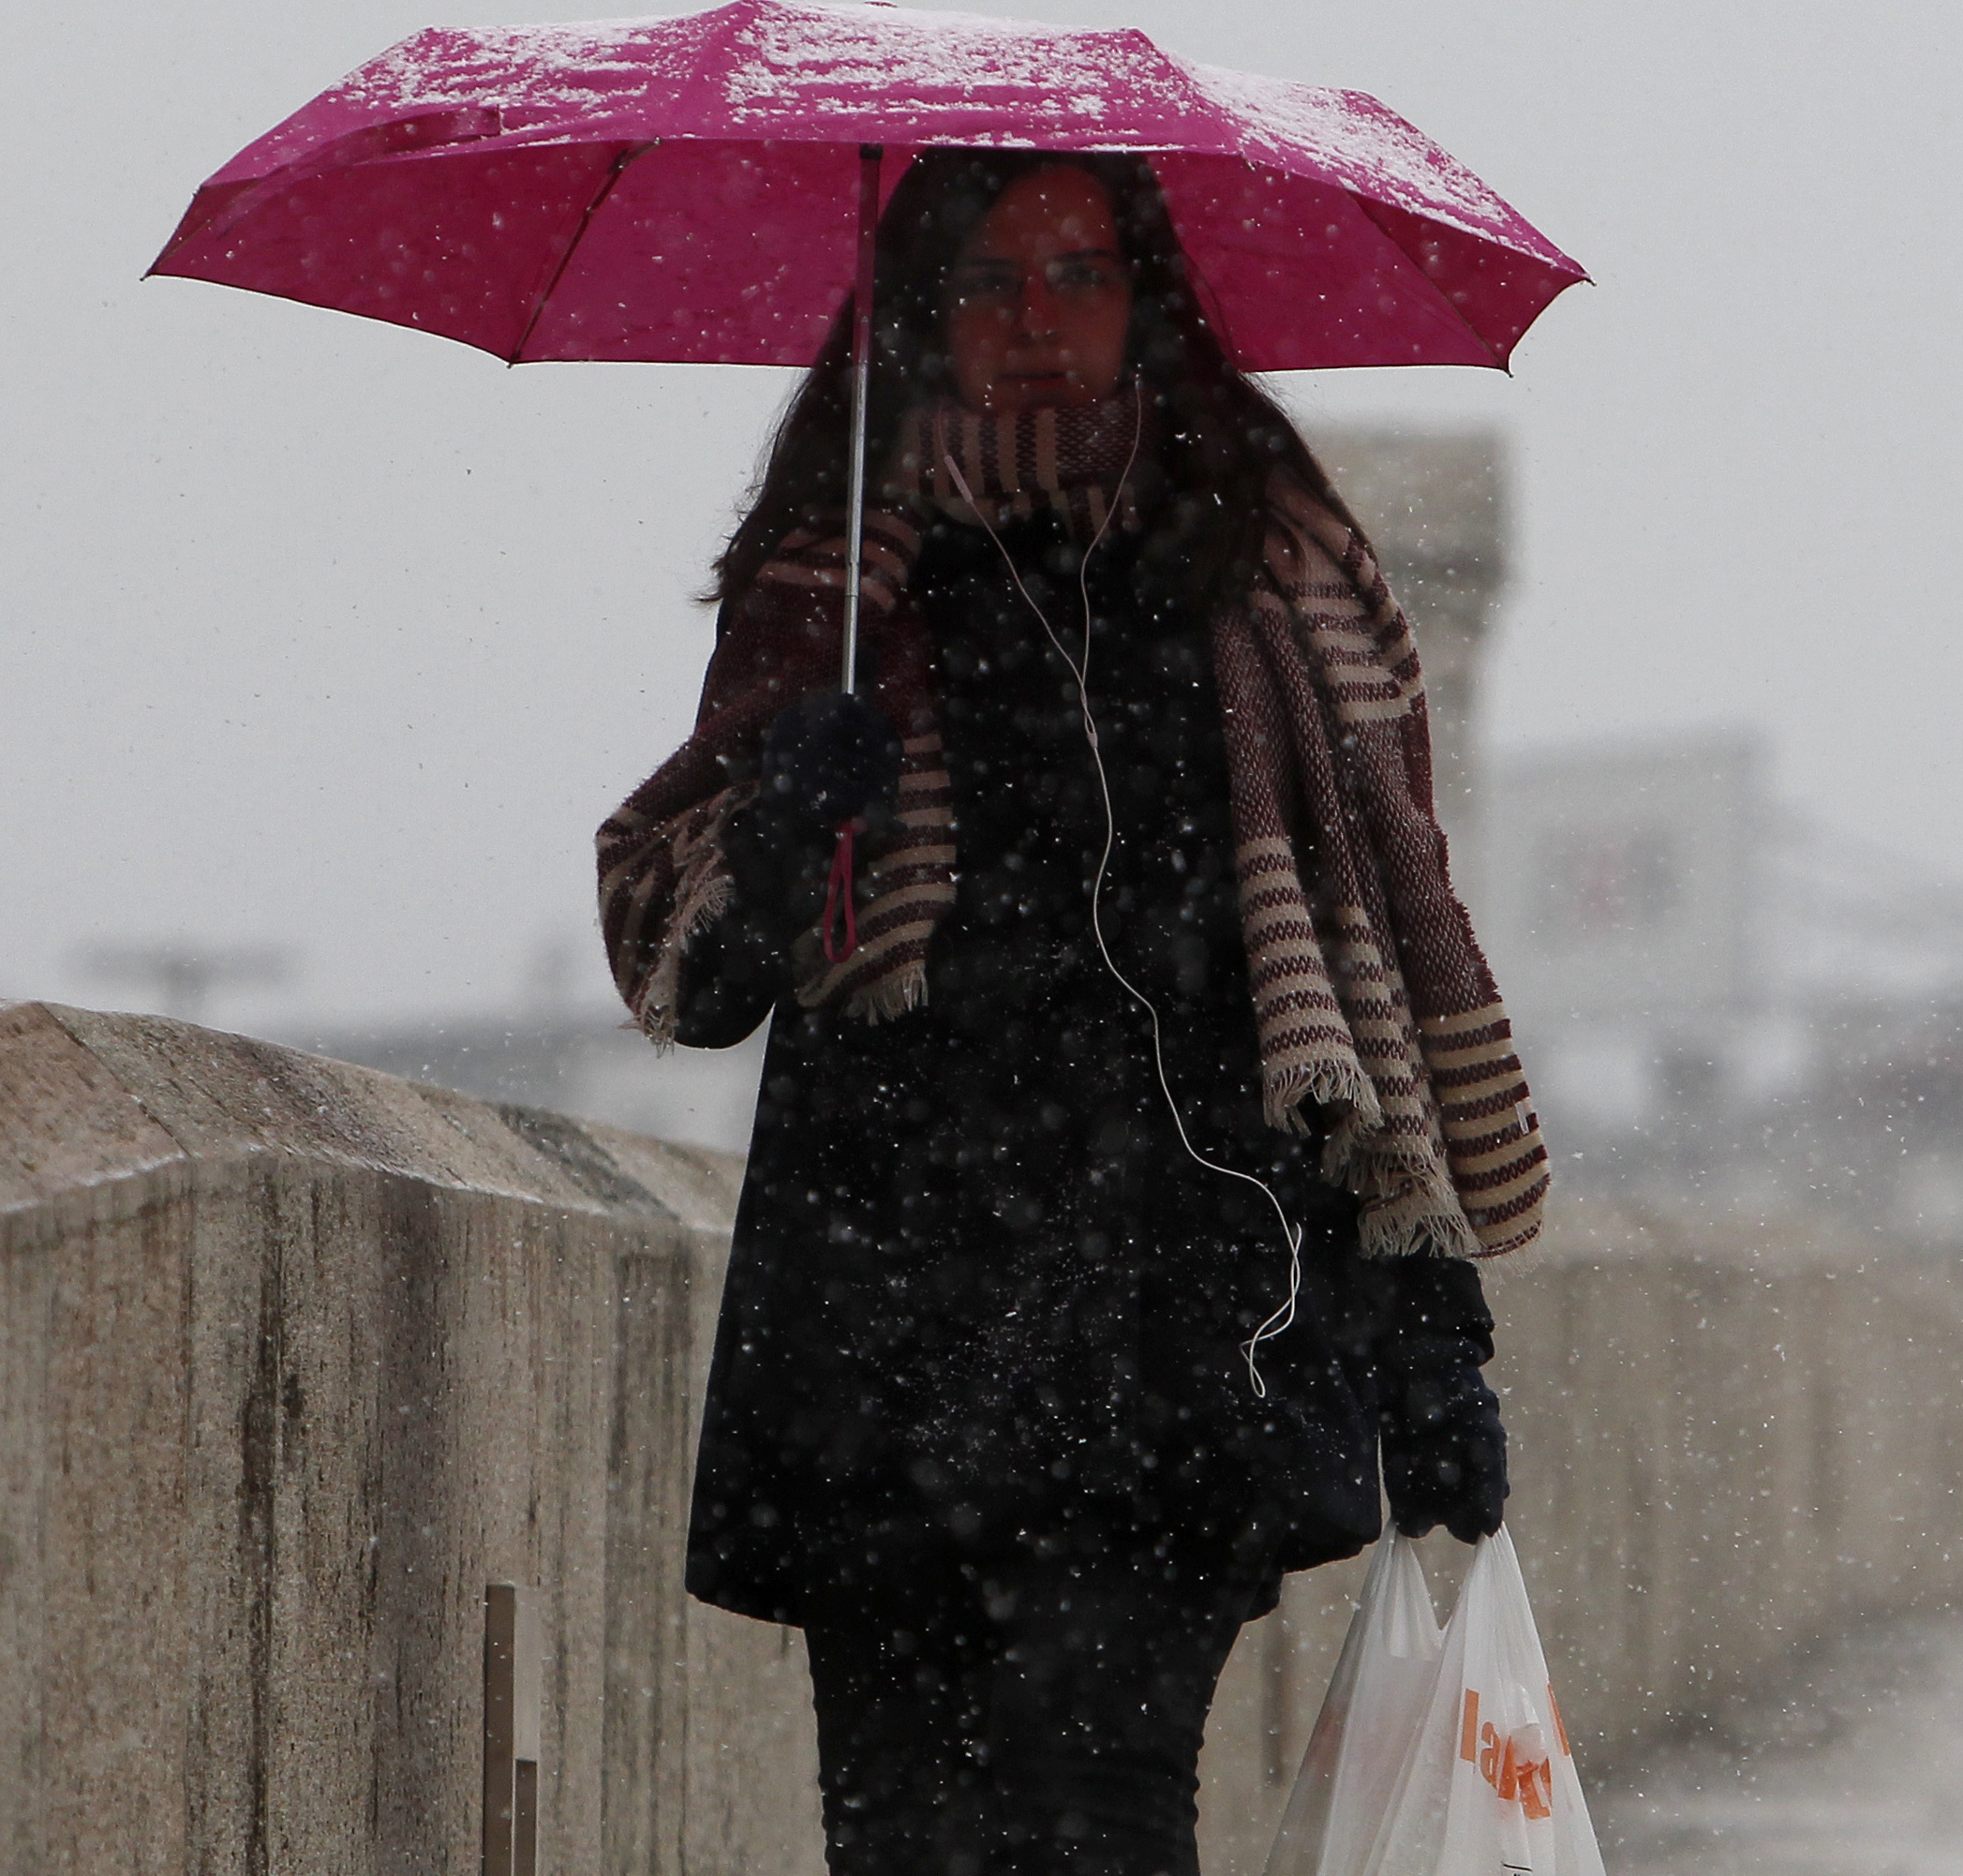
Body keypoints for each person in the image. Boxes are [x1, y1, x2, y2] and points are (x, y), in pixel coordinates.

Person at [594, 150, 1550, 1875]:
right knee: (899, 1831)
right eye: (988, 283)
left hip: (1170, 1314)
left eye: (1080, 276)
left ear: (1146, 297)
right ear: (918, 317)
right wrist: (781, 821)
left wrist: (1426, 1325)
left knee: (1100, 1815)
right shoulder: (832, 586)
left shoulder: (1258, 569)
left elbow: (1360, 961)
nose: (1038, 323)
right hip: (883, 1315)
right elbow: (707, 978)